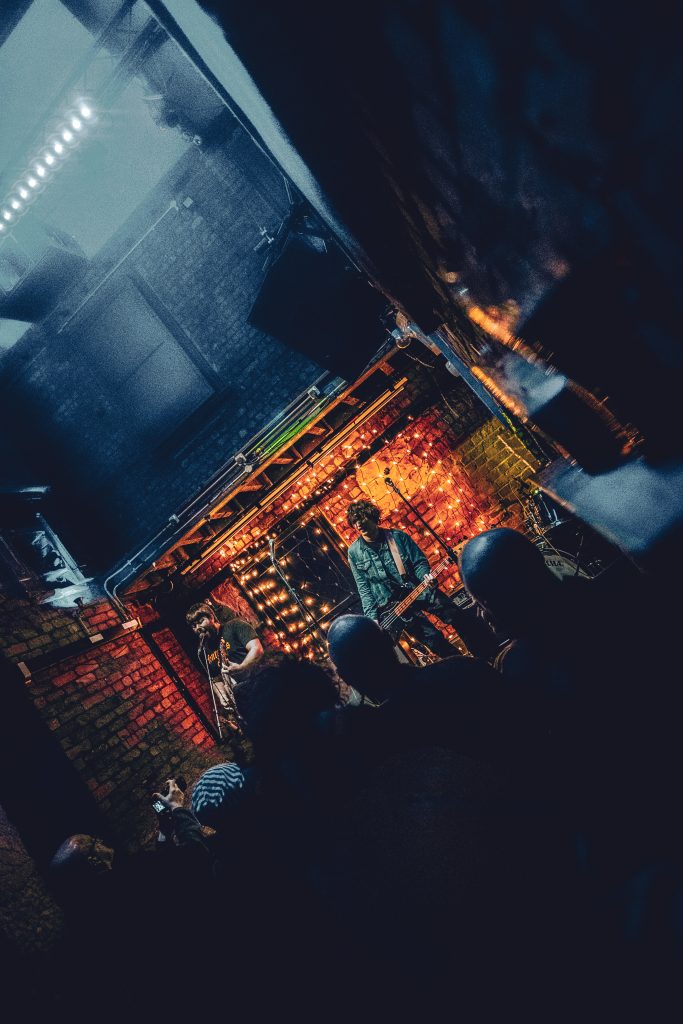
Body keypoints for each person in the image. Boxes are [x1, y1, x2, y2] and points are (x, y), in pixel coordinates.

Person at [346, 499, 494, 658]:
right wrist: (372, 619)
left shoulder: (397, 537)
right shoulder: (354, 552)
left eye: (361, 518)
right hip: (396, 608)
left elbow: (418, 562)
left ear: (372, 516)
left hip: (419, 589)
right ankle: (463, 668)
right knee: (434, 641)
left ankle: (487, 656)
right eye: (354, 521)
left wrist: (425, 575)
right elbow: (364, 588)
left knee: (457, 617)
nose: (358, 524)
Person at [186, 601, 263, 732]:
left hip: (259, 685)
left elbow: (257, 649)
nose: (197, 627)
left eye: (200, 621)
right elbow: (215, 677)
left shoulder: (234, 626)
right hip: (243, 700)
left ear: (211, 617)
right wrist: (222, 695)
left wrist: (242, 666)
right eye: (194, 626)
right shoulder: (205, 649)